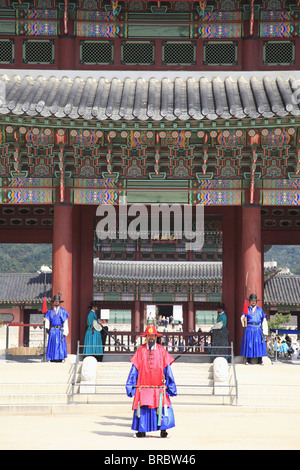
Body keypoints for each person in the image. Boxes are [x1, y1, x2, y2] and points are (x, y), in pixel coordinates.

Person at [126, 325, 177, 438]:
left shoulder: (162, 351)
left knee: (162, 408)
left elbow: (168, 369)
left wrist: (170, 384)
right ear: (146, 337)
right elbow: (134, 369)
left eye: (152, 336)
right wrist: (130, 384)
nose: (151, 338)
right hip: (143, 387)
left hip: (159, 386)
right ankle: (141, 431)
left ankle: (163, 431)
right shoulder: (140, 351)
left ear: (155, 336)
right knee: (142, 409)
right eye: (148, 336)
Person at [240, 293, 268, 365]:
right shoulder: (247, 310)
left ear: (256, 302)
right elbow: (242, 318)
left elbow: (264, 319)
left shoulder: (260, 310)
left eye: (254, 300)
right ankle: (248, 360)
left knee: (258, 343)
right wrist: (244, 319)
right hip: (249, 328)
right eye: (252, 300)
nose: (253, 302)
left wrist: (264, 329)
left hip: (258, 328)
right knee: (249, 343)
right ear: (249, 301)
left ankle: (260, 360)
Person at [44, 294, 69, 362]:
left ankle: (60, 357)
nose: (56, 302)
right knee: (52, 343)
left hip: (60, 330)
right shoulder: (50, 312)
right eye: (55, 301)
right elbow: (47, 320)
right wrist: (47, 328)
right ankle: (52, 357)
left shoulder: (63, 311)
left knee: (60, 344)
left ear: (59, 302)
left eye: (57, 301)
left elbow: (65, 322)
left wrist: (65, 331)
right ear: (53, 302)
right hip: (52, 329)